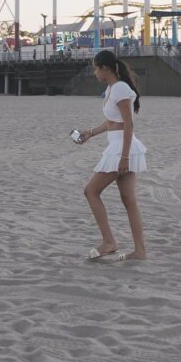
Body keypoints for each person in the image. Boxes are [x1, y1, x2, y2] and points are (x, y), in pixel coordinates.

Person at [75, 50, 147, 261]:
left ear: (105, 68)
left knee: (91, 191)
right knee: (129, 200)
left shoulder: (120, 88)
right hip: (121, 147)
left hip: (121, 149)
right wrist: (90, 133)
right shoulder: (112, 89)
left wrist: (124, 157)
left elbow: (128, 123)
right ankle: (140, 251)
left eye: (96, 68)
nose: (95, 72)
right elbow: (112, 122)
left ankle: (109, 242)